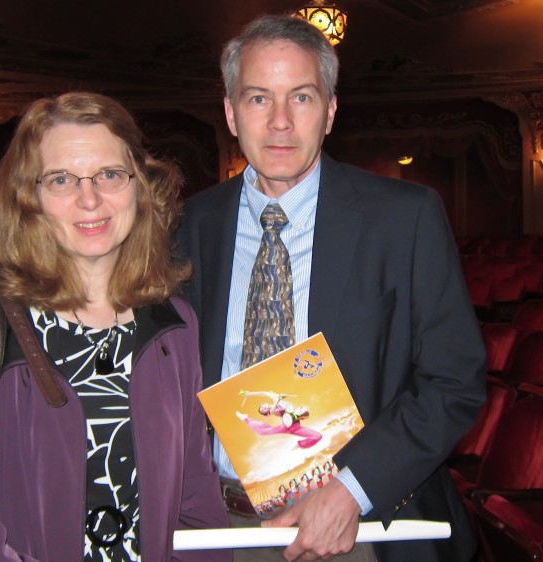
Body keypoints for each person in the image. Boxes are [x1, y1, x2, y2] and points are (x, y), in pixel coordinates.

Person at [175, 14, 487, 562]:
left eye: (301, 97)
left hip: (361, 527)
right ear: (229, 112)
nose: (279, 122)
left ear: (330, 111)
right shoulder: (186, 225)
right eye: (257, 99)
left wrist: (352, 489)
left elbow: (453, 381)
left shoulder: (404, 218)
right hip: (218, 526)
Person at [0, 92, 231, 562]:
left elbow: (194, 494)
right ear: (27, 197)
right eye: (61, 179)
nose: (90, 198)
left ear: (140, 186)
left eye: (110, 175)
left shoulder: (173, 324)